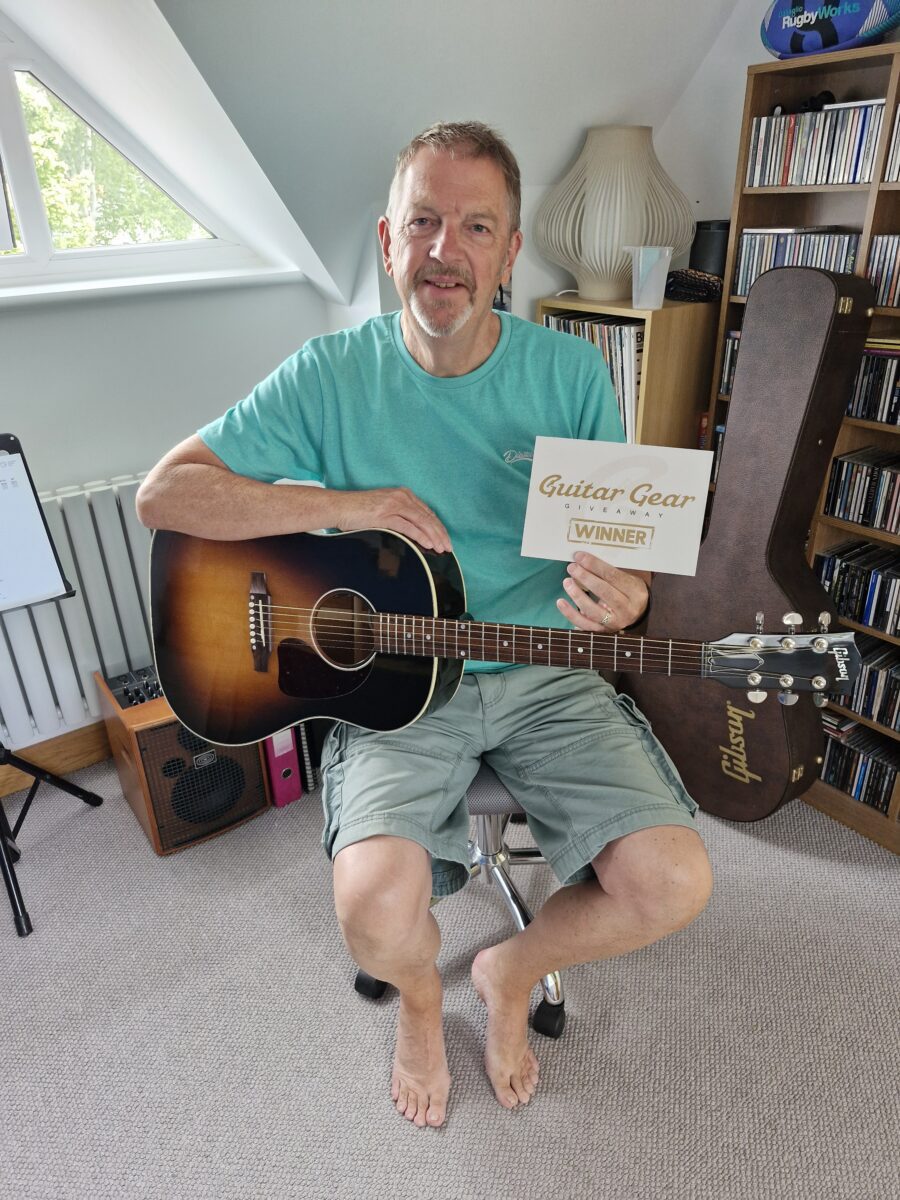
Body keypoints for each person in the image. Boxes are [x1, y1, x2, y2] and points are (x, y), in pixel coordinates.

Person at [136, 120, 713, 1130]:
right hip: (392, 685)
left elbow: (619, 556)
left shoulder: (573, 375)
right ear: (387, 239)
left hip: (546, 672)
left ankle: (507, 970)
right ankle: (416, 1000)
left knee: (673, 882)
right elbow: (164, 496)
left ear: (510, 251)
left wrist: (630, 597)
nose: (447, 250)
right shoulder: (328, 375)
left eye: (476, 227)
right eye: (424, 222)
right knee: (370, 907)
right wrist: (349, 504)